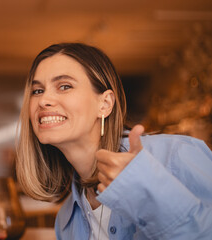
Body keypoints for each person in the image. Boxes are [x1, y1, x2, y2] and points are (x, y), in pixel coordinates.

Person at [16, 43, 212, 240]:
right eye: (37, 91)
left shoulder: (176, 155)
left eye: (64, 86)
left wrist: (149, 190)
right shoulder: (66, 221)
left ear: (105, 104)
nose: (43, 100)